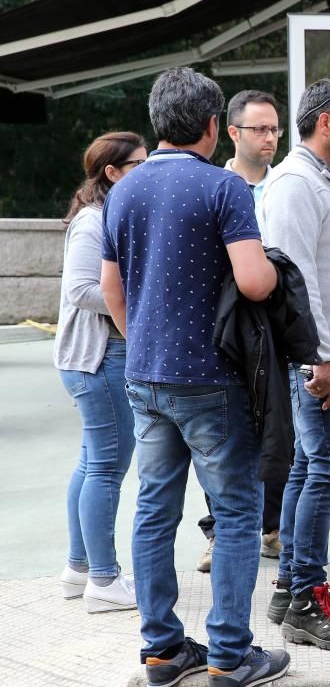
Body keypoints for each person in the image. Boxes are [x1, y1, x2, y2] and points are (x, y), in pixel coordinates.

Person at [100, 67, 289, 687]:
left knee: (154, 509)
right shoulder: (223, 188)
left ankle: (161, 653)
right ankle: (230, 657)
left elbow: (111, 291)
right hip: (211, 378)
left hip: (145, 377)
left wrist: (145, 345)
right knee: (236, 511)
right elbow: (255, 281)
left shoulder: (122, 192)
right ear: (214, 126)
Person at [261, 78, 330, 651]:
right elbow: (295, 283)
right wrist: (322, 357)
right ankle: (306, 601)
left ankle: (291, 584)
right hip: (317, 362)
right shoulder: (295, 185)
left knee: (309, 468)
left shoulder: (325, 181)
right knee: (328, 469)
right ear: (324, 123)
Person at [55, 131, 146, 613]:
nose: (147, 172)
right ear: (112, 173)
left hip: (93, 361)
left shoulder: (108, 214)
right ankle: (105, 580)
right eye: (138, 165)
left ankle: (79, 568)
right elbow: (81, 290)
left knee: (92, 464)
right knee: (108, 469)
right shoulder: (94, 222)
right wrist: (135, 300)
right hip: (98, 361)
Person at [196, 89, 285, 572]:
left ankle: (271, 528)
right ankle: (219, 533)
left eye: (275, 129)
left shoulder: (286, 186)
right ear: (231, 132)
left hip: (273, 333)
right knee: (218, 440)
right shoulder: (210, 185)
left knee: (274, 431)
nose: (270, 137)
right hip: (225, 331)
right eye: (260, 129)